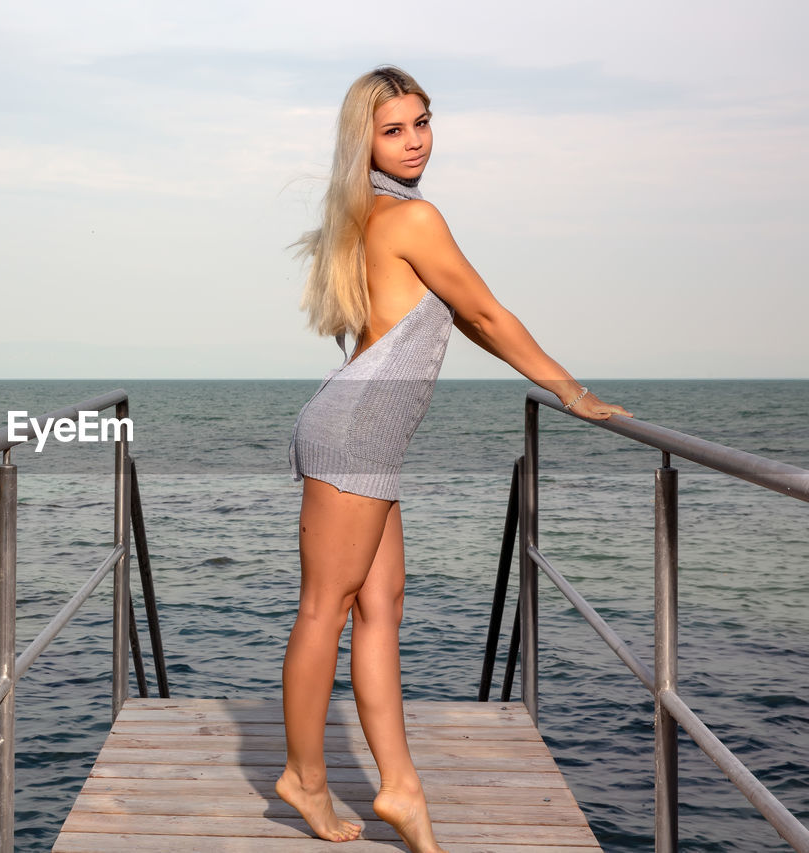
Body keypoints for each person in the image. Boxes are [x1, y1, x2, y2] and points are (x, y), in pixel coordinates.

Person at [279, 66, 634, 848]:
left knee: (382, 607)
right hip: (355, 435)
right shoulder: (413, 218)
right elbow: (482, 308)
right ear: (364, 141)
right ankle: (303, 777)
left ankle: (401, 787)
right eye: (394, 129)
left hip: (359, 432)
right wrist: (570, 390)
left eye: (422, 123)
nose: (415, 142)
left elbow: (462, 316)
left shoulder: (367, 213)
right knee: (325, 609)